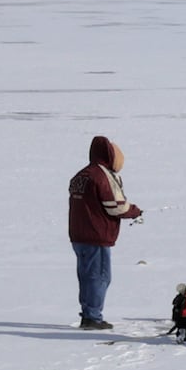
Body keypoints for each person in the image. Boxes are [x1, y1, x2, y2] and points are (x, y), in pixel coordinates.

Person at [67, 135, 143, 329]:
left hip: (78, 235)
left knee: (85, 275)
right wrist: (134, 211)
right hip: (96, 235)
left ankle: (88, 313)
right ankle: (93, 316)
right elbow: (115, 206)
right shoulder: (101, 176)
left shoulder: (81, 175)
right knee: (99, 276)